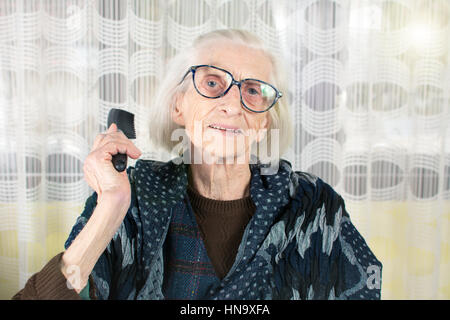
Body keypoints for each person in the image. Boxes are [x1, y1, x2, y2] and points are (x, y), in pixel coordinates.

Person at [12, 29, 382, 300]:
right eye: (212, 81)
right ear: (178, 106)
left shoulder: (312, 205)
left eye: (253, 90)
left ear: (265, 121)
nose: (233, 104)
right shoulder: (133, 197)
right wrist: (111, 206)